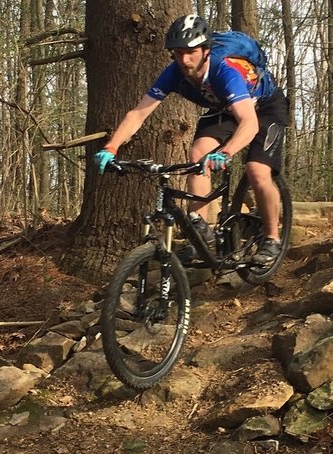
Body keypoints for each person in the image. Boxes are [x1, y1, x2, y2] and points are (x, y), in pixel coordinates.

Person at [94, 14, 289, 266]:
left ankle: (272, 239)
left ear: (206, 51)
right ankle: (200, 234)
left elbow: (249, 123)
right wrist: (112, 147)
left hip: (264, 109)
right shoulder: (174, 72)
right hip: (225, 108)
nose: (185, 60)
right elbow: (139, 113)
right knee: (198, 155)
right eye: (177, 53)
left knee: (257, 171)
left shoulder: (223, 70)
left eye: (191, 52)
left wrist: (226, 152)